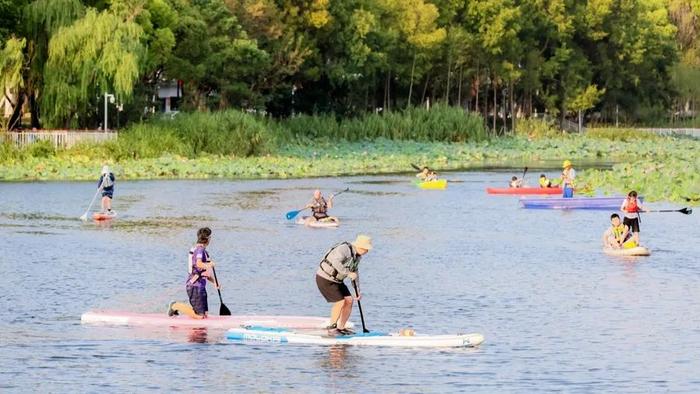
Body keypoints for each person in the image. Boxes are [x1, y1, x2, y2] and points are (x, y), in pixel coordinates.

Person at [315, 234, 373, 335]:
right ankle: (332, 328)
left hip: (337, 281)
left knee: (349, 300)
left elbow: (355, 273)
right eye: (366, 249)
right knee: (340, 302)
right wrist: (348, 273)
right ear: (360, 246)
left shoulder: (357, 257)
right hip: (325, 278)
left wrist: (358, 290)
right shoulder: (344, 249)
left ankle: (341, 327)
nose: (367, 252)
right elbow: (335, 263)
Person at [168, 227, 220, 319]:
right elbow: (199, 264)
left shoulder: (204, 252)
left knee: (205, 315)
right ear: (208, 239)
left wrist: (215, 282)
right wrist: (209, 265)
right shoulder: (199, 250)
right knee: (199, 316)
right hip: (195, 286)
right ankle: (175, 306)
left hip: (201, 287)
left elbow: (204, 273)